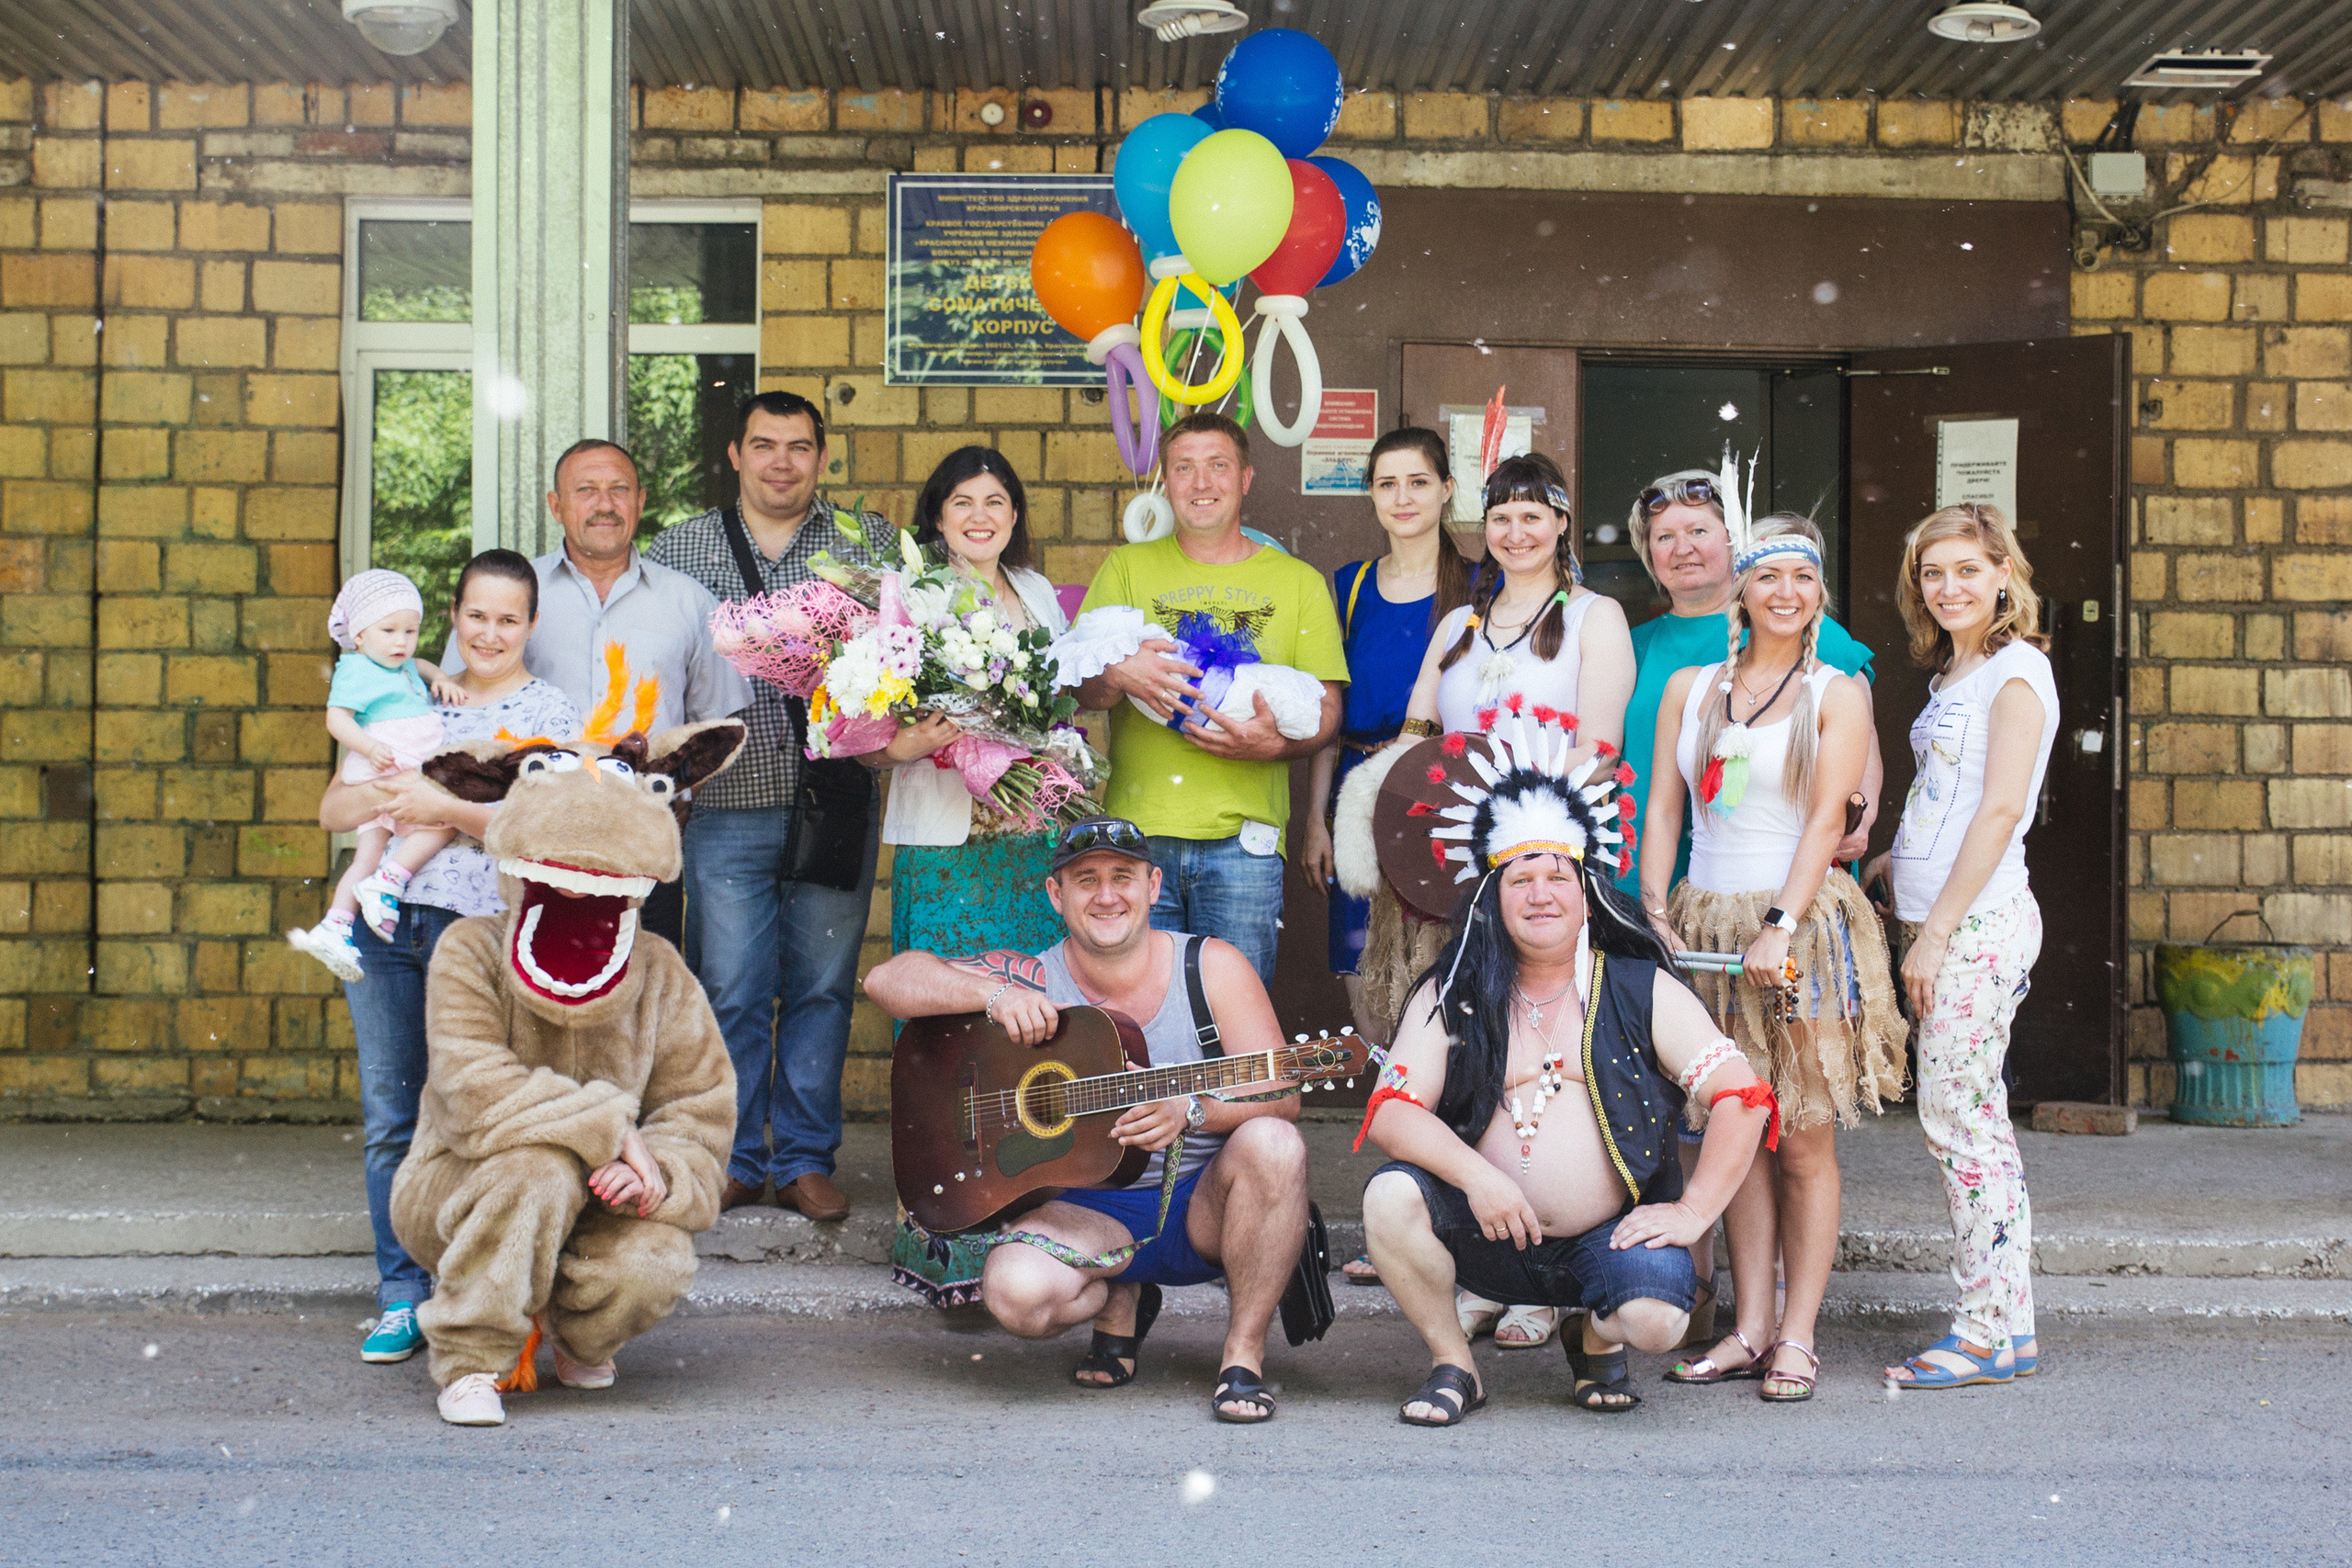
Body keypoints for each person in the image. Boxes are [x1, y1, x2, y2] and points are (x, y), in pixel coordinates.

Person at [1357, 723, 1774, 1424]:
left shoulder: (1640, 987)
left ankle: (1593, 1332)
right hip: (1482, 1231)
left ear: (1588, 894)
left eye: (1559, 877)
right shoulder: (1452, 988)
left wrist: (1694, 1210)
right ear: (1494, 895)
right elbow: (1392, 1110)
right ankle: (1454, 1363)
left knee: (1654, 1321)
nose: (1541, 893)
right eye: (1521, 878)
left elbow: (1742, 1096)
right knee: (1388, 1198)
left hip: (1605, 1240)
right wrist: (1478, 1177)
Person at [864, 816, 1311, 1424]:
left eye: (1122, 877)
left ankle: (1242, 1354)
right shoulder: (1035, 975)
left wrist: (1192, 1109)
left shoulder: (1210, 967)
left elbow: (1283, 1094)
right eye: (1086, 879)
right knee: (1015, 1295)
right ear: (1056, 895)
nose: (1106, 895)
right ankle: (1118, 1293)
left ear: (1154, 885)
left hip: (1202, 1206)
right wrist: (995, 997)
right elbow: (887, 980)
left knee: (1275, 1143)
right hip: (1088, 1213)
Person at [389, 716, 745, 1427]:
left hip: (596, 1207)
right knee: (540, 1167)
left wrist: (657, 1172)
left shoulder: (663, 973)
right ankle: (472, 1358)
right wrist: (610, 1129)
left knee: (656, 1260)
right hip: (462, 1185)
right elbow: (470, 1088)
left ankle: (577, 1334)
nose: (580, 894)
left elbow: (699, 1109)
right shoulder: (468, 948)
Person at [1641, 513, 1907, 1404]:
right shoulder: (1690, 685)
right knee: (1735, 1130)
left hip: (1794, 925)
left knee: (1801, 1137)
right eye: (1767, 578)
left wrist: (1780, 923)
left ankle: (1797, 1334)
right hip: (1705, 922)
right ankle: (1748, 1326)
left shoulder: (1835, 691)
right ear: (1741, 591)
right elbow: (1667, 812)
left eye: (1800, 577)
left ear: (1816, 589)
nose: (1784, 593)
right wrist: (1651, 906)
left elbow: (1829, 820)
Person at [1384, 449, 1634, 1351]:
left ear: (1562, 524)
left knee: (1548, 1065)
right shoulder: (1456, 623)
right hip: (1455, 877)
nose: (1516, 530)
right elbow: (1417, 736)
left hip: (1546, 868)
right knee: (1473, 1066)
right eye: (1502, 515)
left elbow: (1597, 747)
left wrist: (1522, 838)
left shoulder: (1593, 617)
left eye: (1535, 514)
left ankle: (1553, 1282)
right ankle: (1483, 1266)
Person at [316, 551, 583, 1365]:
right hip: (387, 928)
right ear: (455, 618)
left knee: (478, 1118)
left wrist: (449, 808)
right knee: (394, 1115)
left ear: (532, 623)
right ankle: (401, 1294)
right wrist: (401, 794)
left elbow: (554, 836)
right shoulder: (402, 688)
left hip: (488, 935)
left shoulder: (553, 715)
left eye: (509, 618)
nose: (491, 632)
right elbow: (333, 807)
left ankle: (473, 1292)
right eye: (476, 615)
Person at [644, 394, 885, 1222]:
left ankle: (808, 1155)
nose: (782, 462)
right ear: (736, 456)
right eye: (765, 446)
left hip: (838, 793)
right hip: (726, 801)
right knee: (733, 984)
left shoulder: (869, 543)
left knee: (821, 983)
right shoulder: (680, 551)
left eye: (800, 447)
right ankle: (738, 1152)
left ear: (822, 458)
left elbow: (907, 654)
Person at [1870, 504, 2056, 1390]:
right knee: (1975, 1122)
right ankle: (2009, 1323)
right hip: (1947, 916)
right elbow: (1947, 798)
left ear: (2003, 576)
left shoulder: (2016, 672)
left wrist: (1934, 932)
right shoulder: (1959, 673)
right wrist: (1889, 859)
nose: (1949, 588)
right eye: (1932, 574)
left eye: (1967, 571)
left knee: (1959, 1126)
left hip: (1976, 927)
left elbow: (1999, 809)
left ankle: (1981, 1328)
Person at [1069, 412, 1347, 981]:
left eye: (1217, 466)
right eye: (1184, 468)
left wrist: (1270, 748)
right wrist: (1121, 675)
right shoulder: (1125, 568)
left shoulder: (1298, 582)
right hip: (1137, 841)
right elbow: (1083, 691)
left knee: (1236, 1028)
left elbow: (1328, 712)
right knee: (1139, 1020)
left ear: (1245, 479)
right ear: (1166, 483)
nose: (1201, 483)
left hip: (1244, 845)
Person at [446, 438, 752, 951]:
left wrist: (674, 798)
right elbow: (460, 702)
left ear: (641, 501)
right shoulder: (513, 596)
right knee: (533, 1002)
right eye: (586, 490)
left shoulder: (690, 602)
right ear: (556, 505)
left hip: (642, 847)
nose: (605, 504)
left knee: (639, 1005)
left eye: (619, 490)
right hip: (530, 842)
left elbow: (712, 726)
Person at [1298, 427, 1472, 1044]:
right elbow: (1328, 716)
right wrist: (1317, 819)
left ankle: (1442, 1125)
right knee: (1365, 969)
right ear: (1370, 495)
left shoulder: (1481, 586)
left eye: (1419, 482)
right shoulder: (1347, 588)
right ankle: (1395, 1112)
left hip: (1445, 794)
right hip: (1360, 798)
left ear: (1447, 490)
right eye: (1387, 484)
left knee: (1442, 966)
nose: (1403, 497)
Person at [879, 446, 1072, 960]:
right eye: (962, 502)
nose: (979, 516)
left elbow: (1060, 701)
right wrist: (906, 744)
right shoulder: (906, 593)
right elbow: (864, 729)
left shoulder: (1036, 590)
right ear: (938, 517)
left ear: (1014, 515)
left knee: (1035, 991)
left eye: (994, 501)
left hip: (1032, 830)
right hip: (944, 840)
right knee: (944, 998)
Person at [286, 568, 469, 979]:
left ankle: (336, 924)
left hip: (393, 762)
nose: (402, 641)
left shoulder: (400, 662)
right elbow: (336, 718)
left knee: (365, 854)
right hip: (388, 761)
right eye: (389, 630)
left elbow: (419, 663)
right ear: (360, 635)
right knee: (444, 818)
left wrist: (438, 676)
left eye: (411, 630)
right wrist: (368, 747)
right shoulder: (356, 668)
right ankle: (390, 878)